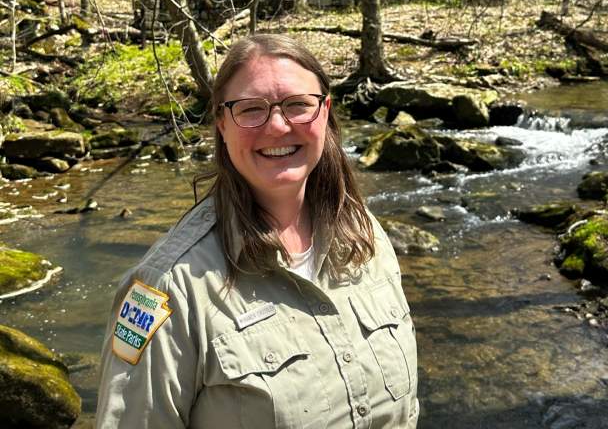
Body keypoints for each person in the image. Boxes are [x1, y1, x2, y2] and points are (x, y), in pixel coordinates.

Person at [96, 33, 419, 428]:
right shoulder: (167, 288)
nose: (278, 126)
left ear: (326, 112)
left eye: (299, 105)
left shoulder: (366, 236)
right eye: (251, 109)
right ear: (221, 123)